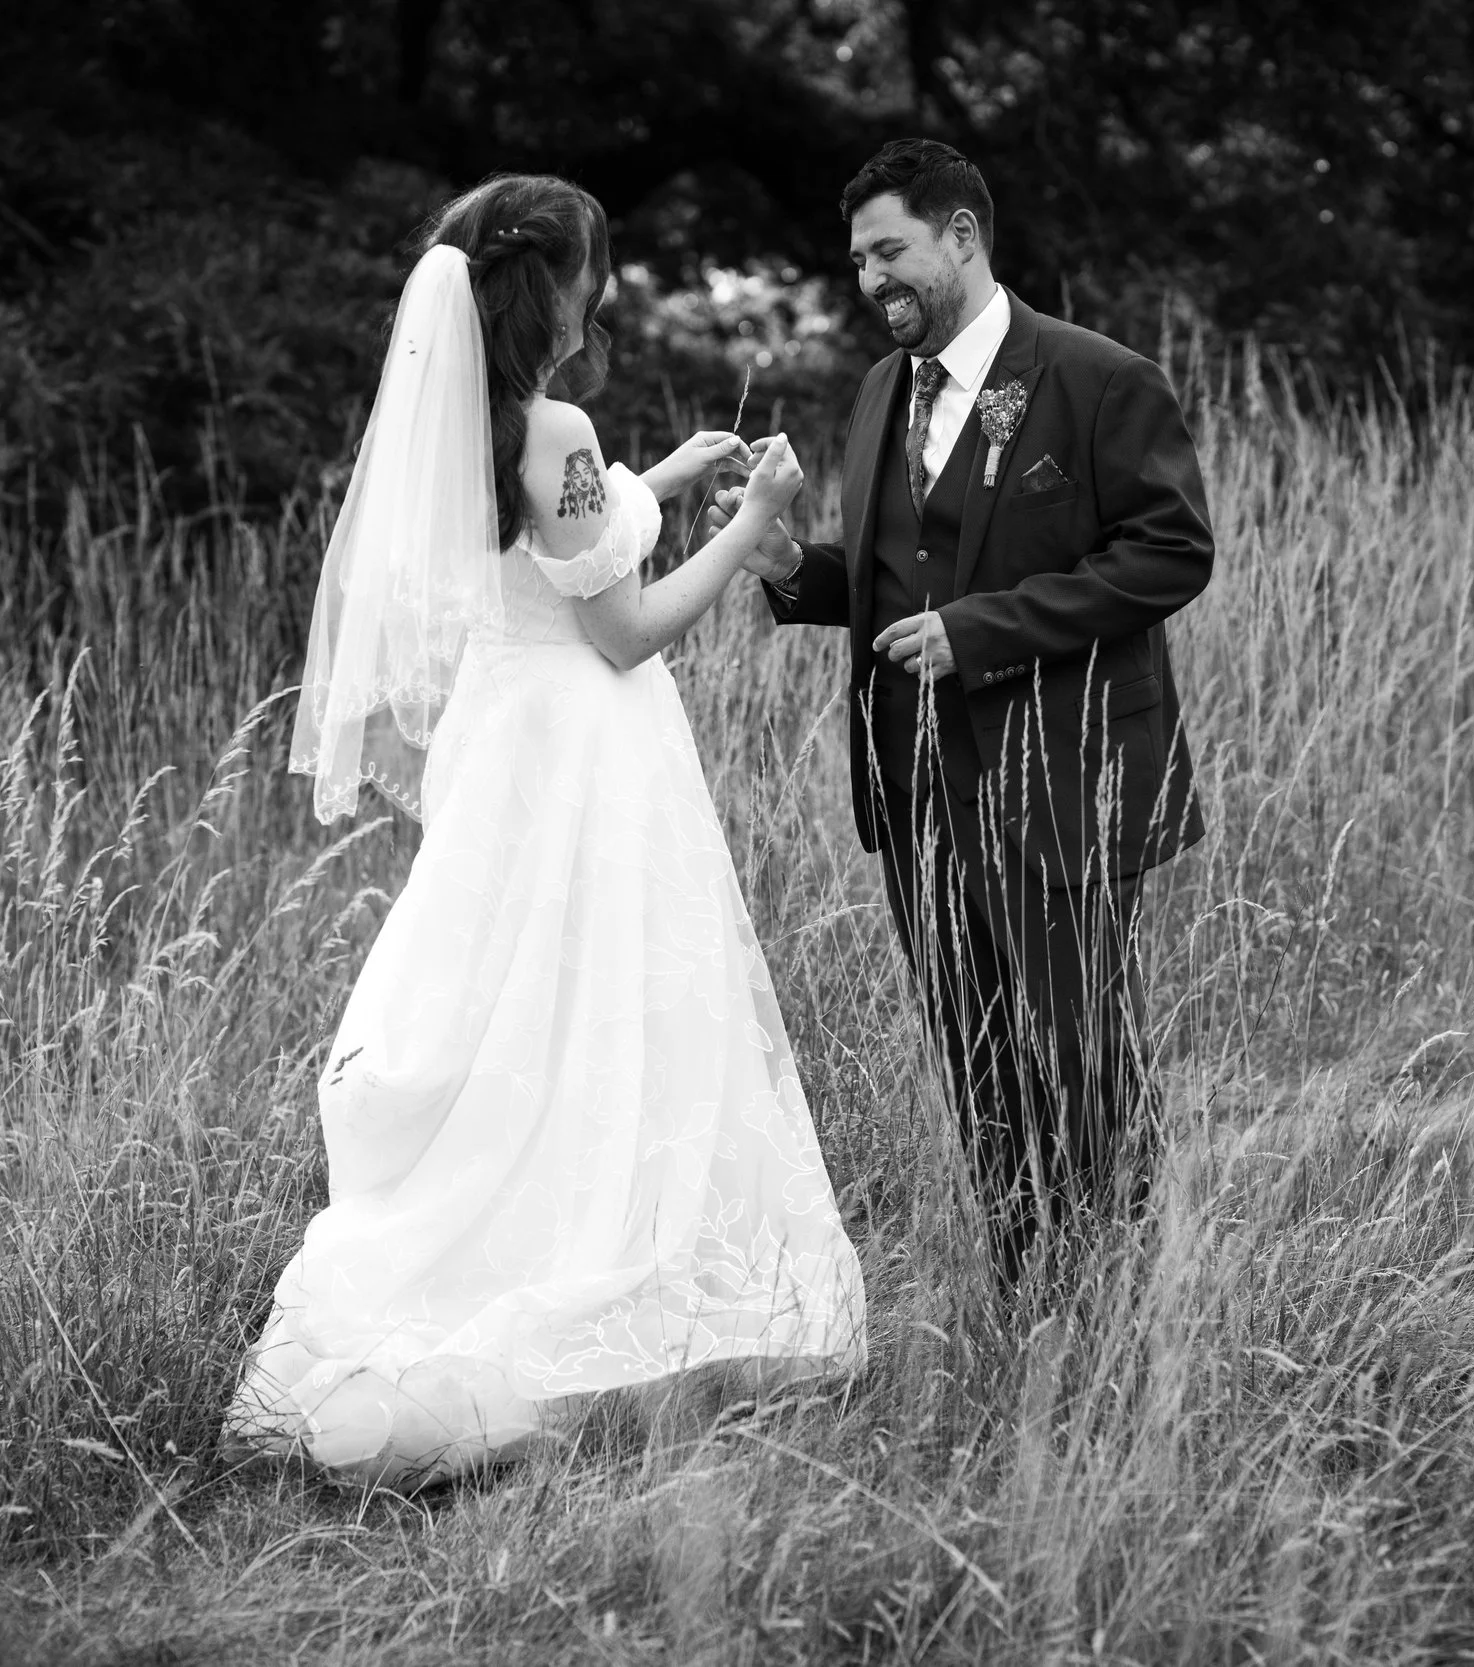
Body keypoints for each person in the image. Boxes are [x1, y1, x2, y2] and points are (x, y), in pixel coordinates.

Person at [227, 174, 865, 1487]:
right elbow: (623, 629)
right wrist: (747, 524)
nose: (606, 289)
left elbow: (553, 540)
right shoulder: (554, 423)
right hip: (588, 750)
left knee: (512, 1008)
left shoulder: (485, 422)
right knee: (606, 1008)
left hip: (504, 743)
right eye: (597, 268)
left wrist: (663, 476)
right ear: (553, 283)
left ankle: (483, 1255)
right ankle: (592, 1285)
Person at [710, 140, 1215, 1286]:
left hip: (1058, 774)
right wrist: (789, 560)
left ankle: (1127, 1297)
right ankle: (1026, 1287)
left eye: (889, 250)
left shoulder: (1097, 377)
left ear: (963, 236)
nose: (870, 279)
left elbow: (1171, 552)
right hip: (915, 789)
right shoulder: (883, 389)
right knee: (977, 1058)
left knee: (1080, 1055)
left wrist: (980, 632)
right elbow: (894, 580)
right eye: (856, 261)